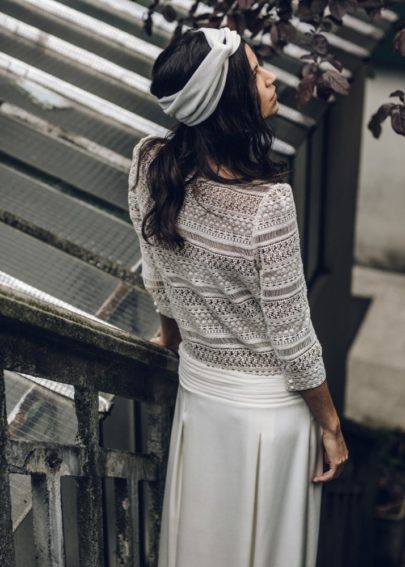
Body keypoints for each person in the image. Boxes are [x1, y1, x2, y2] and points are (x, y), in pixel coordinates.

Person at [128, 26, 349, 567]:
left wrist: (170, 334)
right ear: (226, 100)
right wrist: (331, 424)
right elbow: (294, 337)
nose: (271, 77)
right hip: (267, 419)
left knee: (203, 545)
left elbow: (156, 268)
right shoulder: (268, 205)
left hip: (201, 400)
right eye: (254, 72)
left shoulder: (149, 163)